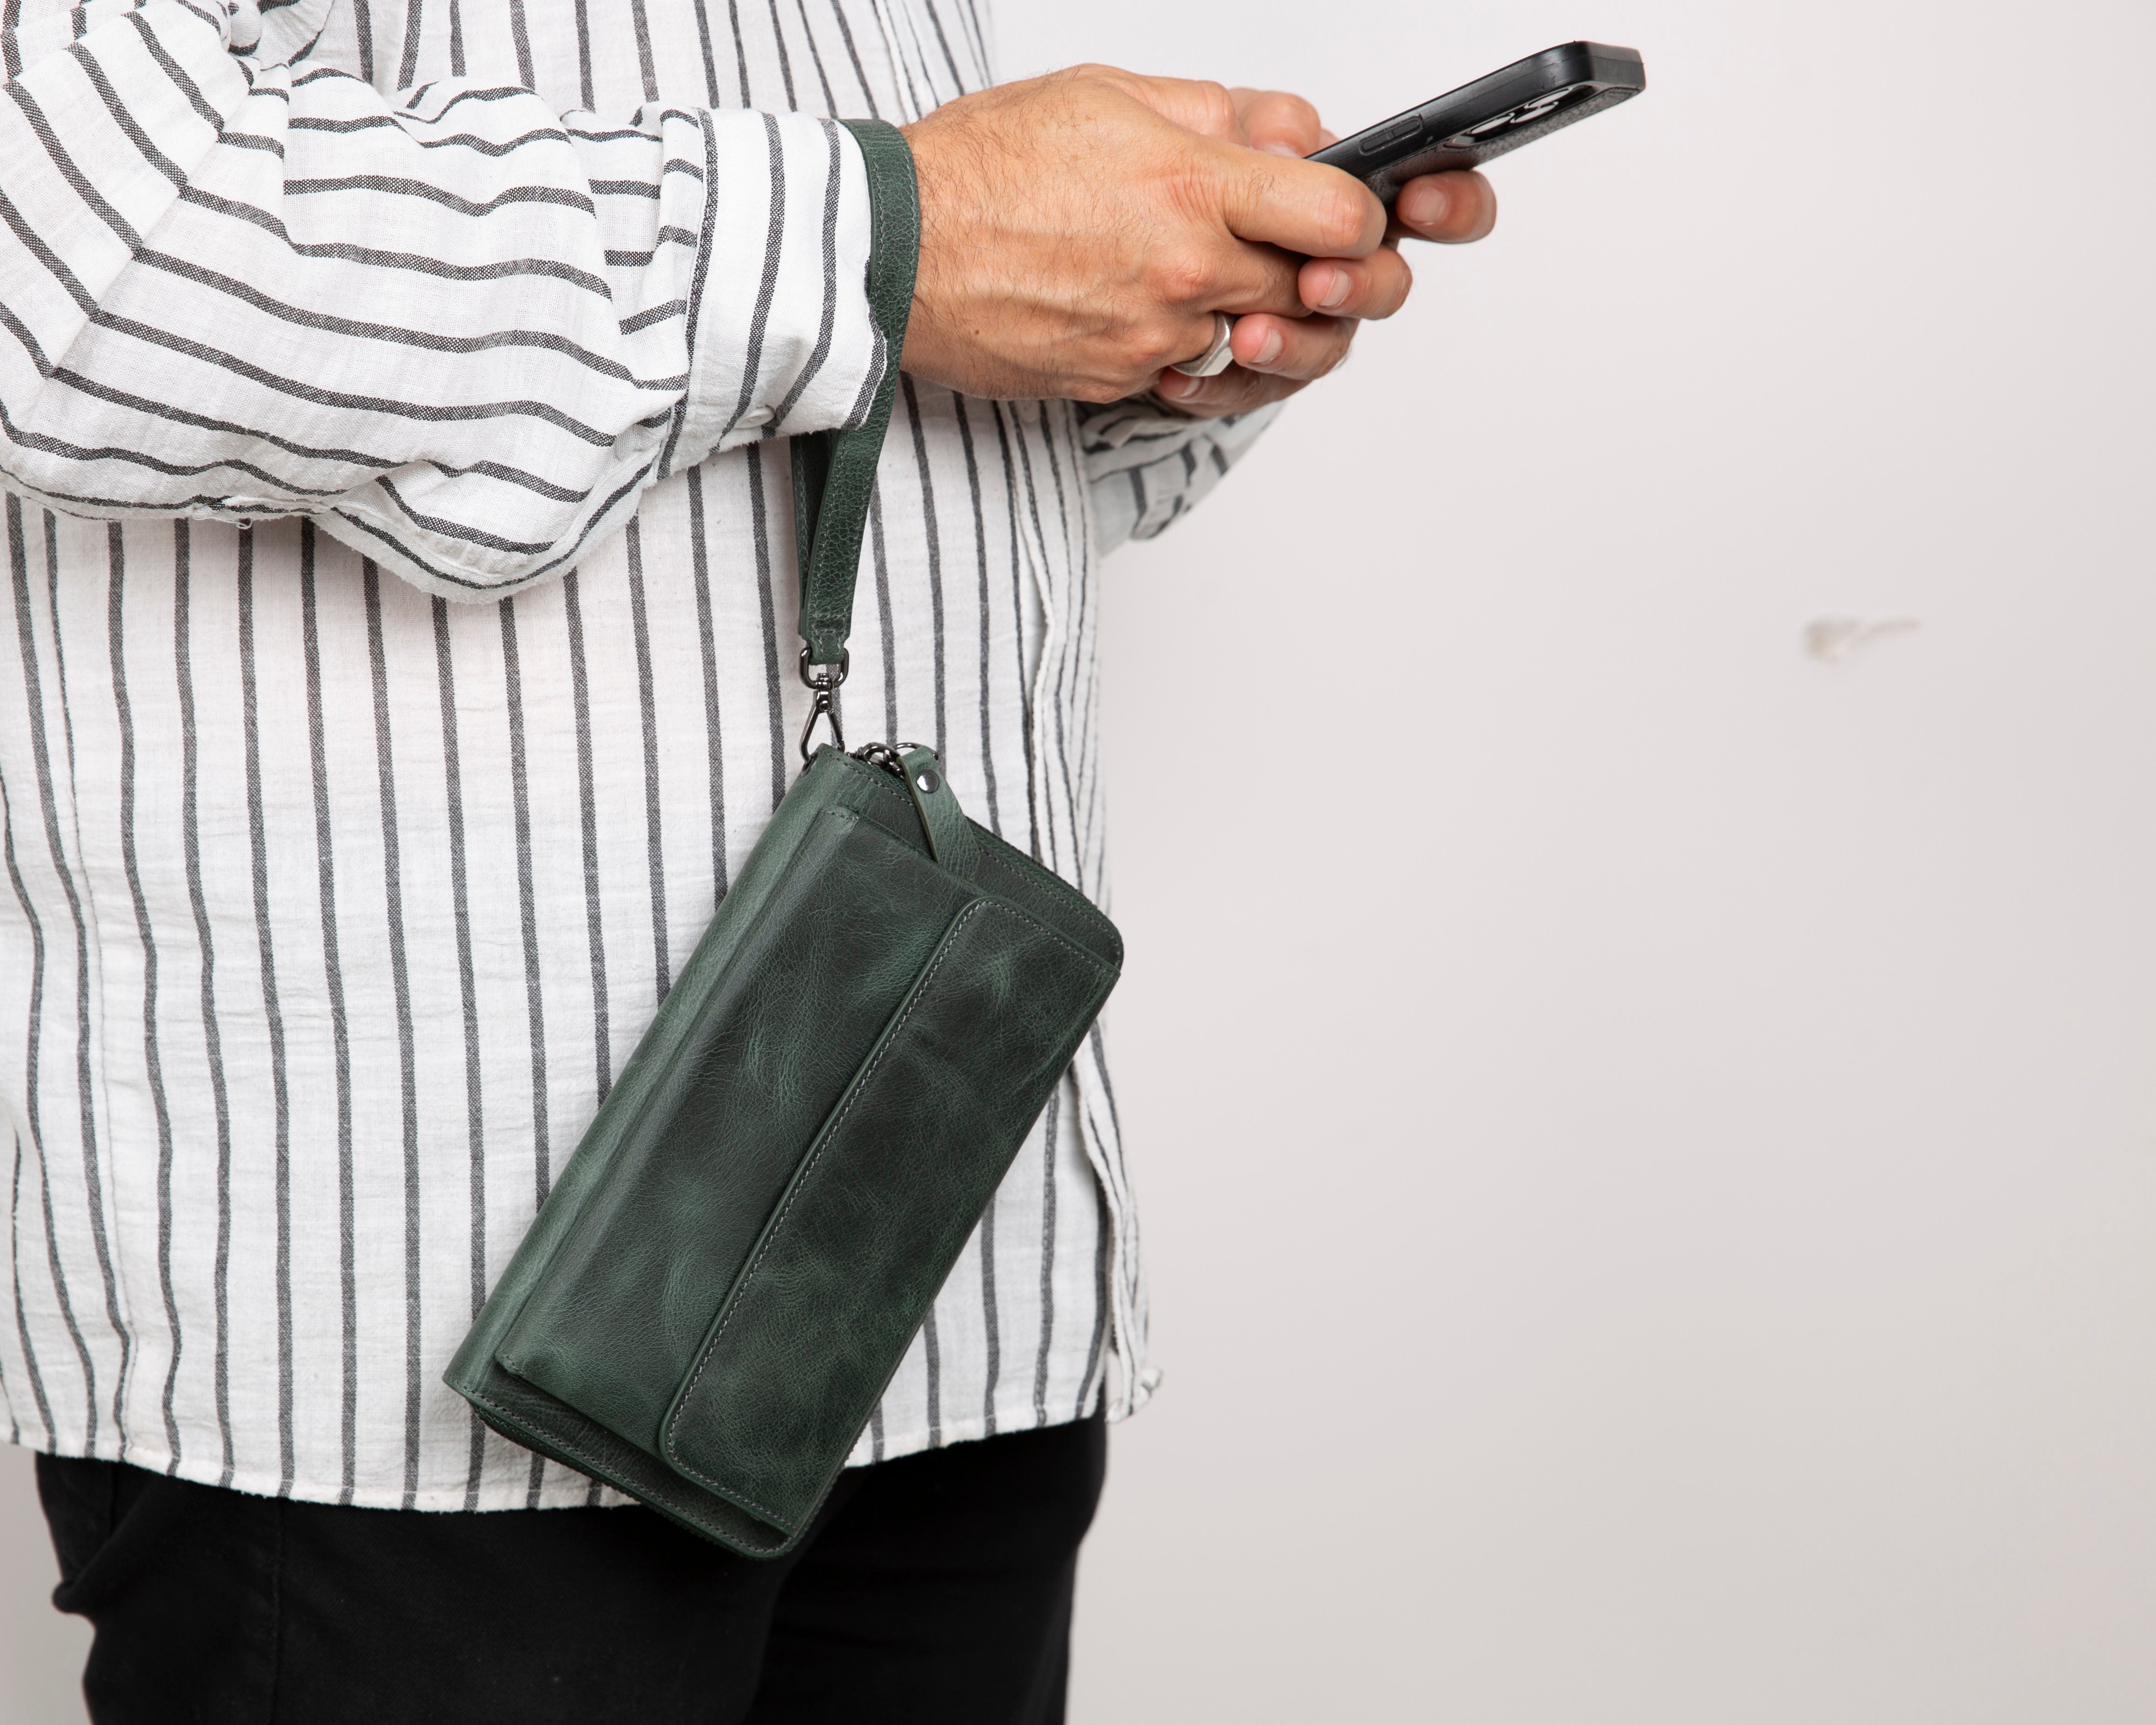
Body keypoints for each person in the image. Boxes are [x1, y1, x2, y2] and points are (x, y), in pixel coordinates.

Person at [0, 0, 1495, 1718]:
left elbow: (851, 378)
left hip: (940, 1250)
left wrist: (1146, 316)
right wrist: (895, 230)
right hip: (415, 1321)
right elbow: (88, 262)